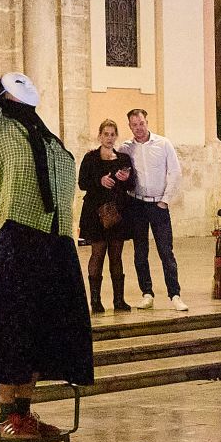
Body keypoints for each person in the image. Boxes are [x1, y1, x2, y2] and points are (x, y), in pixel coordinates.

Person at [0, 34, 93, 437]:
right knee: (12, 327)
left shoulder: (51, 141)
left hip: (57, 243)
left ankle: (26, 411)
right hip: (21, 240)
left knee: (44, 331)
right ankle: (7, 415)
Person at [119, 107, 187, 311]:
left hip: (159, 204)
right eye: (134, 125)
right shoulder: (126, 148)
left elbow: (175, 172)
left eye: (141, 123)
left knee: (166, 251)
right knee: (140, 251)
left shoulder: (163, 144)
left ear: (146, 122)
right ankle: (146, 293)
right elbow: (112, 162)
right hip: (137, 204)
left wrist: (165, 200)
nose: (138, 128)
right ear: (130, 126)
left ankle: (175, 294)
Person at [78, 119, 135, 314]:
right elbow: (82, 183)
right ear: (100, 136)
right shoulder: (90, 158)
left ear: (116, 136)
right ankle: (95, 300)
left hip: (117, 213)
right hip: (95, 212)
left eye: (112, 134)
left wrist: (126, 179)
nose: (109, 138)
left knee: (116, 256)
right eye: (106, 134)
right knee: (98, 253)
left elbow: (131, 185)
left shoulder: (123, 159)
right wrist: (99, 180)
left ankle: (119, 300)